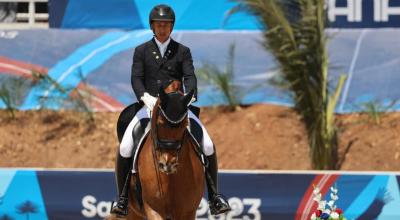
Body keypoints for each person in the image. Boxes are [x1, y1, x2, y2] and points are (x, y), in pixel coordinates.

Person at [110, 4, 231, 217]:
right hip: (148, 107)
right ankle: (122, 199)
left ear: (171, 27)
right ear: (152, 26)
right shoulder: (142, 51)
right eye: (159, 25)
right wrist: (145, 97)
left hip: (177, 108)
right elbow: (136, 78)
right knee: (126, 146)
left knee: (209, 145)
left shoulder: (182, 51)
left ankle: (214, 196)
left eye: (166, 25)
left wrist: (190, 94)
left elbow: (190, 76)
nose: (162, 29)